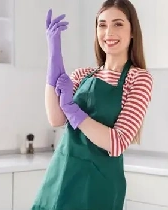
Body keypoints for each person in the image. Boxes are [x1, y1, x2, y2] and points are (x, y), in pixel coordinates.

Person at [32, 0, 153, 209]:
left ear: (132, 31)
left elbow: (117, 143)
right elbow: (56, 118)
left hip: (98, 186)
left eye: (118, 24)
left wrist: (72, 108)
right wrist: (54, 55)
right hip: (61, 176)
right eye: (102, 24)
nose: (108, 32)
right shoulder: (82, 74)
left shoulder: (138, 78)